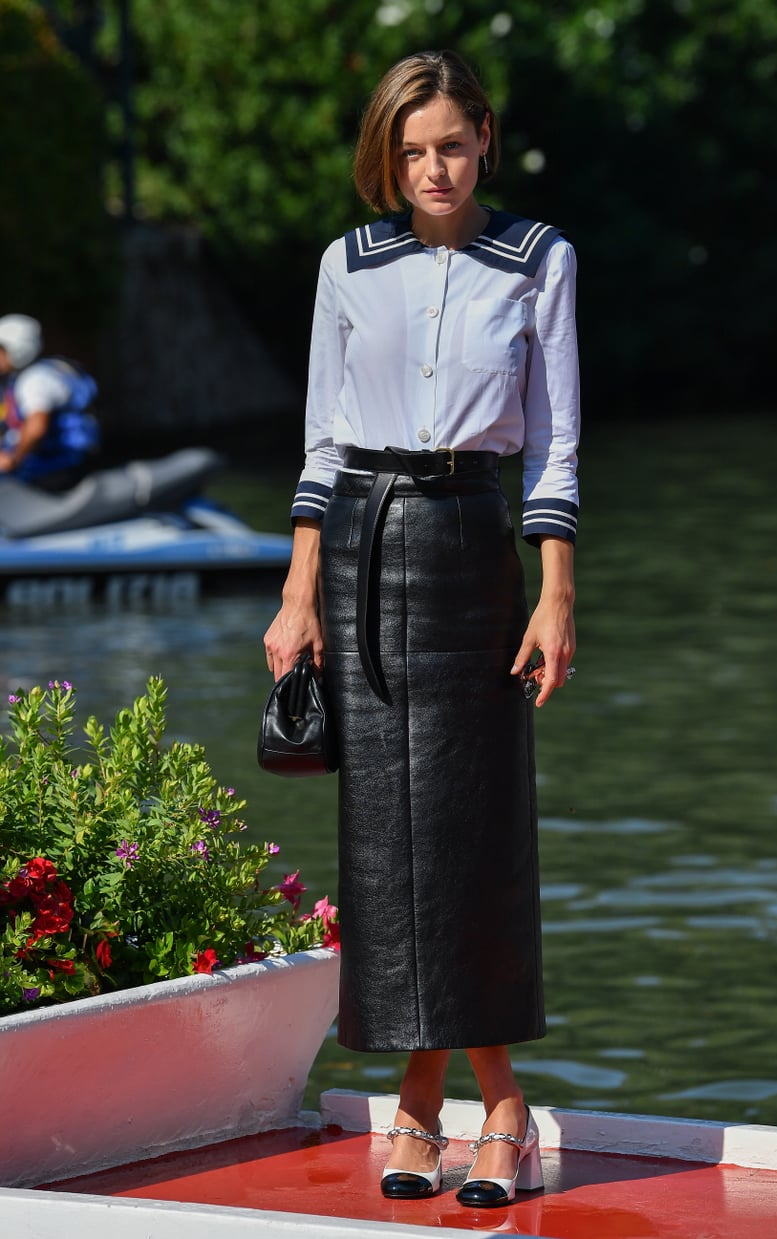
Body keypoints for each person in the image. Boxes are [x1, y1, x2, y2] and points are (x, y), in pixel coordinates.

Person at [264, 49, 579, 1209]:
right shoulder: (348, 263)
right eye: (411, 151)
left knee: (473, 827)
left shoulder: (539, 258)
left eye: (450, 143)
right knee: (385, 837)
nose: (432, 169)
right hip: (360, 548)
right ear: (387, 159)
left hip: (473, 542)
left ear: (485, 137)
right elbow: (321, 440)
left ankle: (452, 1103)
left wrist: (556, 590)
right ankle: (460, 1104)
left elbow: (553, 442)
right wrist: (299, 592)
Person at [0, 314, 100, 489]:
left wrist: (14, 459)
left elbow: (36, 428)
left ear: (18, 351)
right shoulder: (46, 370)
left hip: (56, 470)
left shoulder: (34, 381)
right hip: (74, 463)